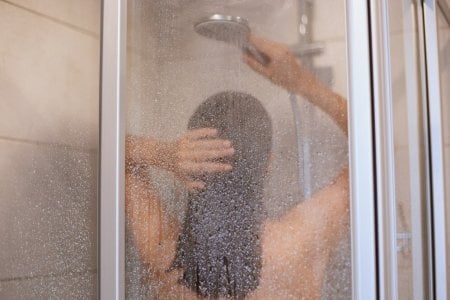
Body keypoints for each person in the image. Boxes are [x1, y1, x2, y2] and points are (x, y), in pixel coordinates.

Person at [125, 36, 349, 299]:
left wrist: (165, 154)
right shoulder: (299, 244)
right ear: (268, 165)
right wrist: (299, 81)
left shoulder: (162, 250)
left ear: (192, 165)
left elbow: (115, 152)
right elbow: (372, 146)